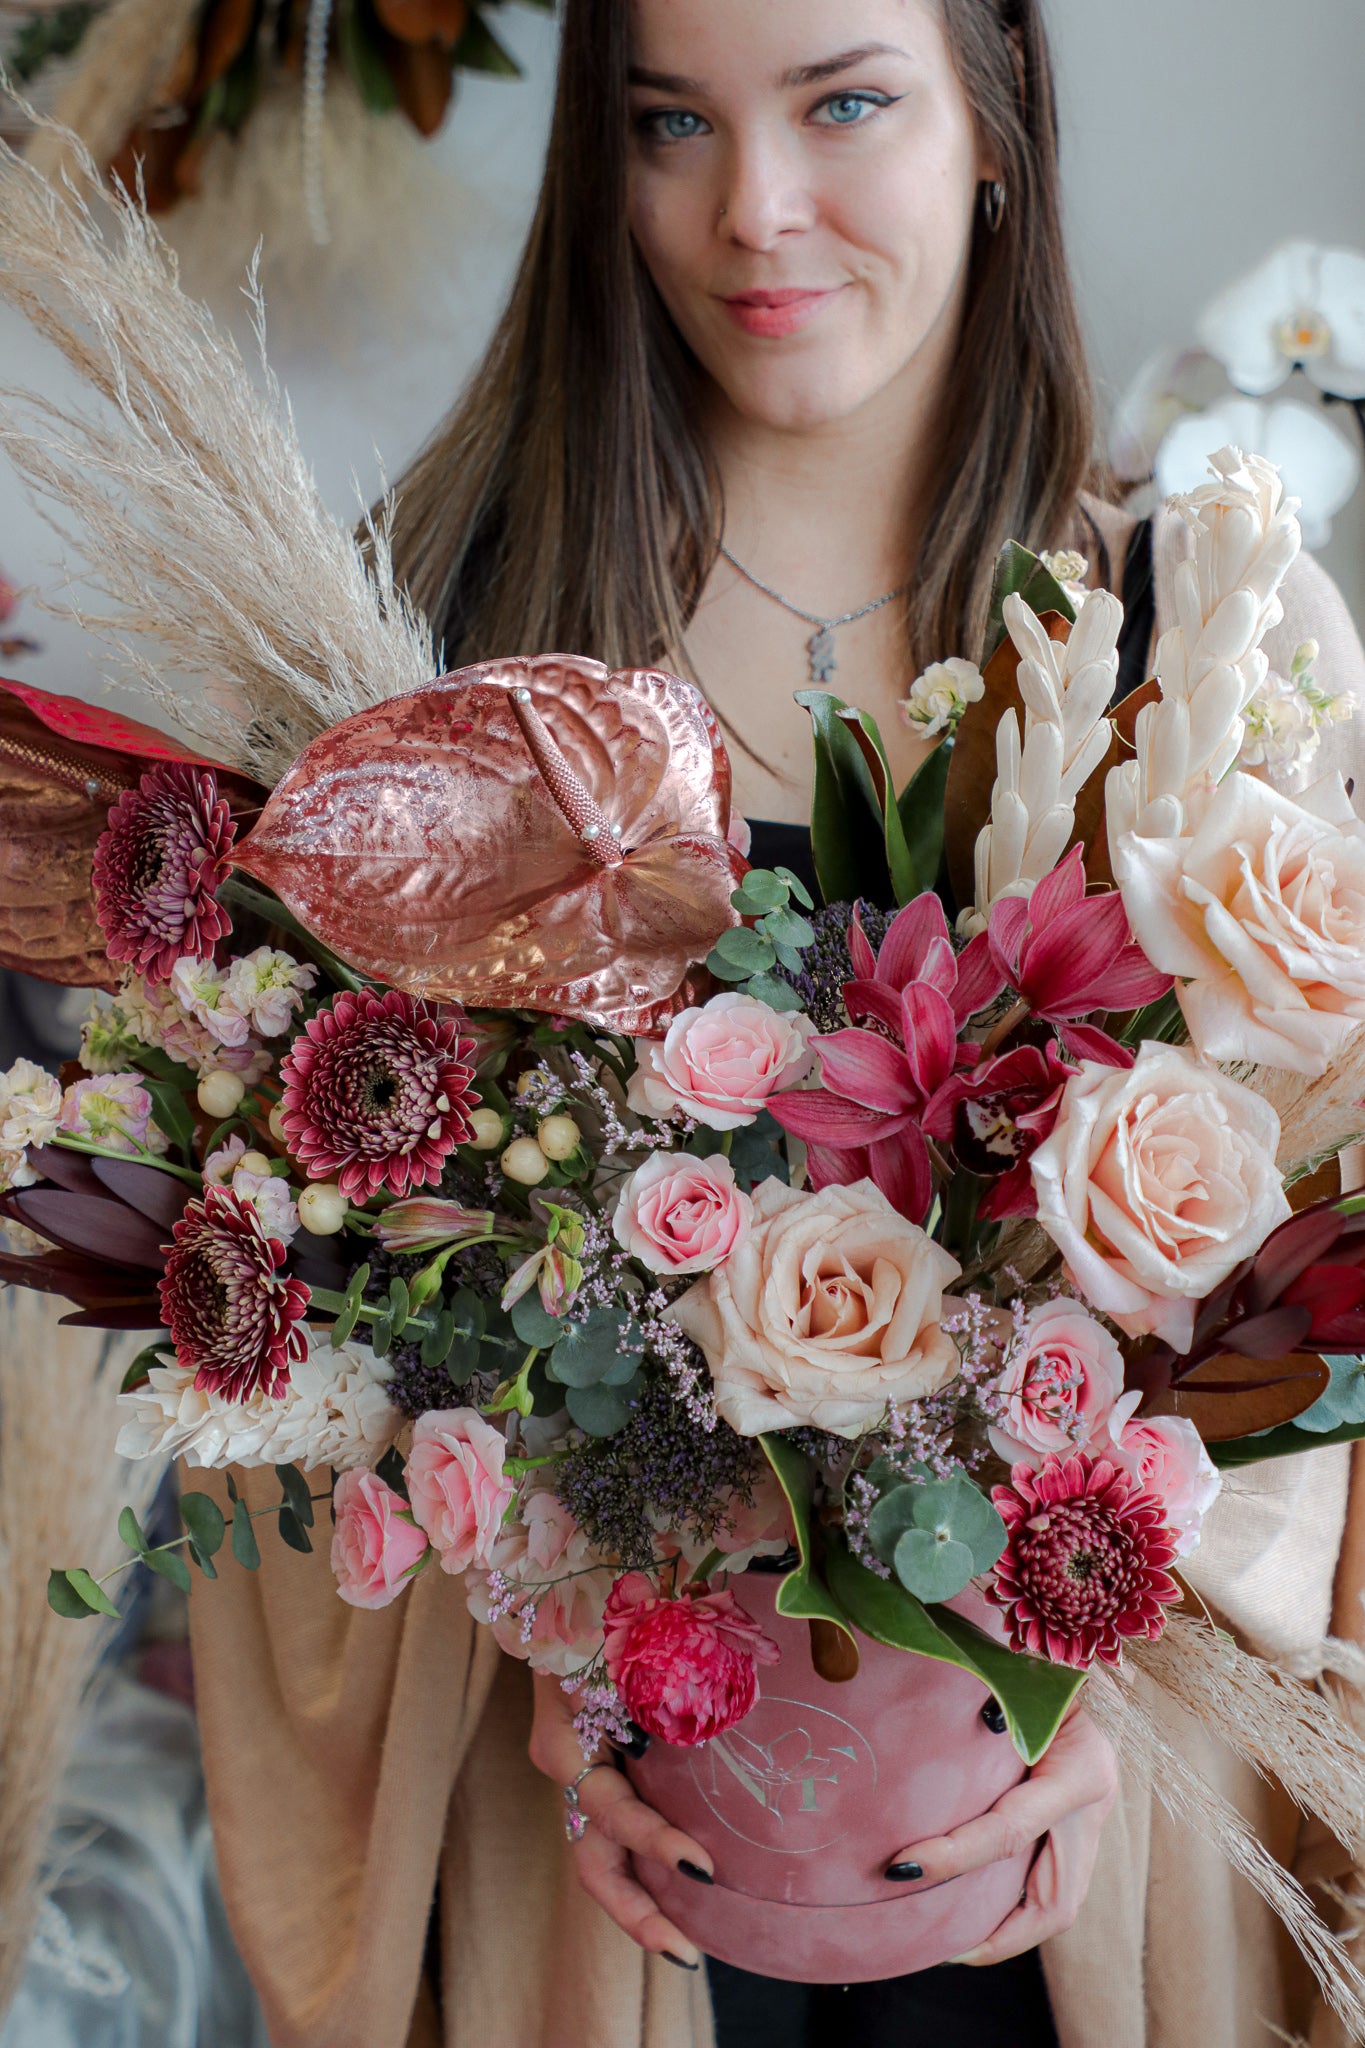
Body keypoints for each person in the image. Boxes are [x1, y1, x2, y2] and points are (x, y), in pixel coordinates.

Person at [186, 3, 1365, 2046]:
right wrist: (548, 1652)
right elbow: (300, 1315)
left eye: (842, 102)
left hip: (1076, 1886)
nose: (753, 212)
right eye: (669, 123)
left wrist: (1122, 1680)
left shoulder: (1212, 628)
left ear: (988, 125)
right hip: (599, 1887)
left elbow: (1327, 1276)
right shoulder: (425, 624)